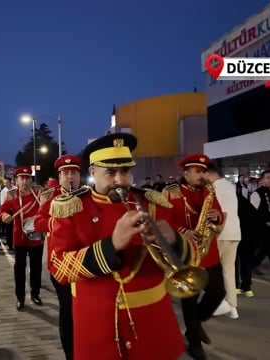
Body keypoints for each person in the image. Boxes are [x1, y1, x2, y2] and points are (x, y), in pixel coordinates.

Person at [48, 133, 187, 360]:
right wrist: (111, 246)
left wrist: (174, 241)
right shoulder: (72, 208)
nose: (121, 180)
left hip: (152, 321)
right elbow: (59, 267)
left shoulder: (152, 203)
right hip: (97, 324)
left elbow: (191, 254)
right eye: (111, 173)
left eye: (125, 171)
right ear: (92, 172)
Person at [163, 154, 225, 360]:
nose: (202, 175)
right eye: (197, 172)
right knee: (189, 300)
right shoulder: (171, 192)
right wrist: (182, 231)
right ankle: (194, 343)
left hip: (209, 252)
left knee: (217, 293)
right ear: (186, 173)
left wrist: (218, 216)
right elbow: (163, 219)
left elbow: (218, 213)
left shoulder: (209, 190)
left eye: (204, 171)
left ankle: (193, 327)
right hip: (186, 252)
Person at [34, 155, 82, 360]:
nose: (69, 177)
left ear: (80, 176)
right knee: (68, 310)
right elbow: (38, 222)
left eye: (73, 173)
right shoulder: (52, 197)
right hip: (61, 264)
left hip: (85, 262)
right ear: (59, 177)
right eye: (65, 174)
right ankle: (70, 352)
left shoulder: (88, 196)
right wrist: (57, 223)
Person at [0, 167, 43, 310]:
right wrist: (4, 216)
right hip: (20, 237)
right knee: (19, 268)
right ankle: (20, 297)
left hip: (36, 236)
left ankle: (35, 294)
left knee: (36, 267)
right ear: (16, 180)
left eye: (27, 178)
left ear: (31, 179)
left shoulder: (39, 192)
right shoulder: (12, 195)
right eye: (21, 178)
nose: (24, 181)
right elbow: (2, 210)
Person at [204, 163, 240, 320]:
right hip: (234, 232)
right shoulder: (228, 185)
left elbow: (221, 213)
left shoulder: (215, 187)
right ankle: (232, 306)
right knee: (228, 270)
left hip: (222, 233)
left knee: (212, 272)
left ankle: (219, 304)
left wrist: (215, 233)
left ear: (208, 173)